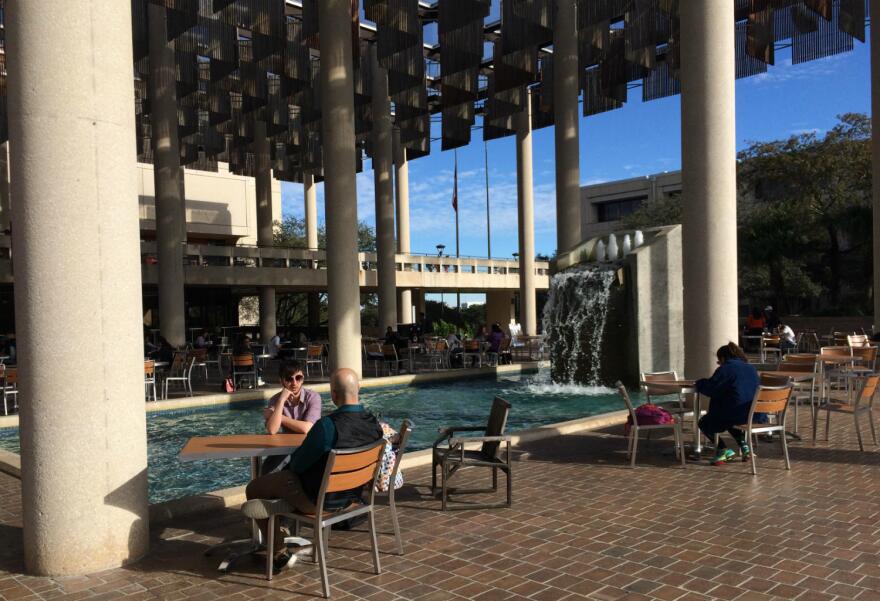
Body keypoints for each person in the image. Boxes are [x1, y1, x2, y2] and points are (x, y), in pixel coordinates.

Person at [245, 368, 384, 573]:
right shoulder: (374, 424)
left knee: (255, 488)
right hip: (353, 498)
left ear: (334, 394)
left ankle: (278, 550)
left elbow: (298, 464)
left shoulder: (327, 426)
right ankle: (281, 528)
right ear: (359, 389)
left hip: (318, 501)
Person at [696, 342, 762, 466]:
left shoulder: (725, 369)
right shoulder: (751, 368)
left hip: (737, 413)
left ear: (722, 358)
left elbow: (711, 388)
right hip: (753, 414)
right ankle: (745, 447)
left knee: (703, 422)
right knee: (730, 419)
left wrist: (699, 383)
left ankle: (723, 450)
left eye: (718, 360)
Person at [261, 360, 322, 473]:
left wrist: (279, 417)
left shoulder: (313, 397)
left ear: (302, 378)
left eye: (298, 378)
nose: (294, 383)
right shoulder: (275, 400)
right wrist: (281, 401)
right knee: (266, 470)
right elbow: (272, 430)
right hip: (285, 449)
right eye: (289, 379)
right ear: (281, 381)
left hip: (308, 448)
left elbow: (306, 428)